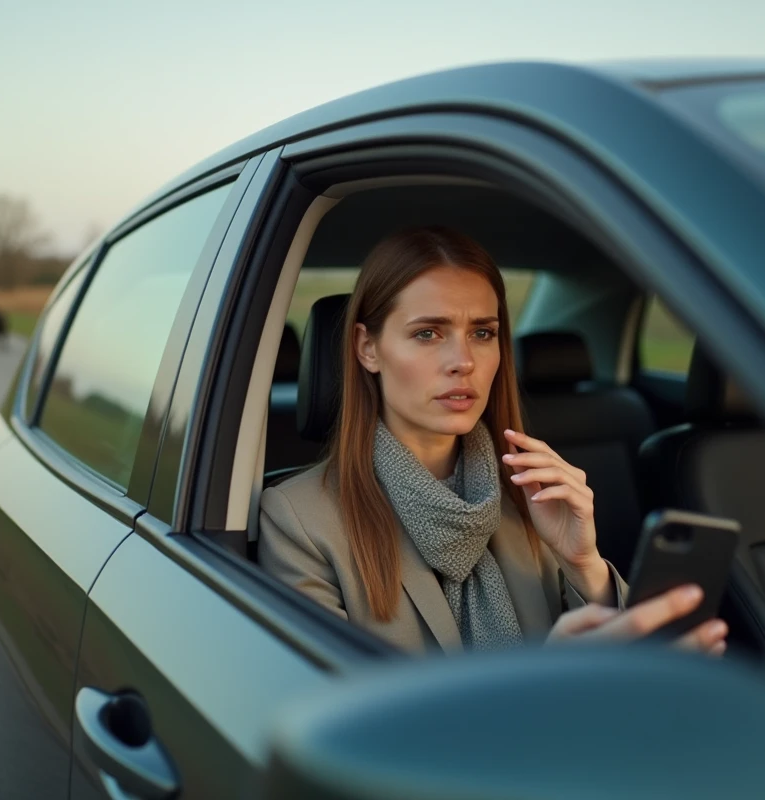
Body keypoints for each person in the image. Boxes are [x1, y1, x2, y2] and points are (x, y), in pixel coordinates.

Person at [259, 226, 728, 655]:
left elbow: (623, 676)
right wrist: (542, 684)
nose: (463, 360)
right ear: (368, 348)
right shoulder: (300, 521)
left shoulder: (533, 494)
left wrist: (585, 562)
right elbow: (344, 731)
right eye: (427, 333)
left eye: (482, 332)